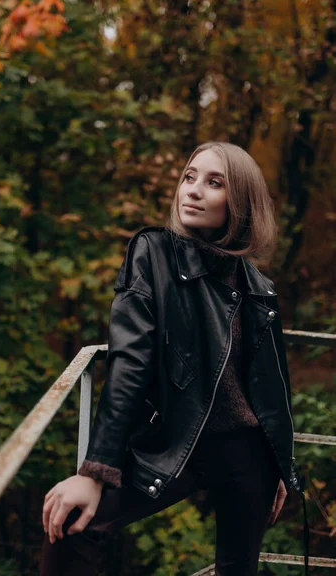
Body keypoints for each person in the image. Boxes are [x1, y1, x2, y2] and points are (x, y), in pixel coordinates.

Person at [40, 142, 309, 576]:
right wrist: (94, 471)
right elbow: (130, 361)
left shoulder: (260, 287)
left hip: (248, 453)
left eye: (214, 182)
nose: (194, 190)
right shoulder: (153, 252)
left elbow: (274, 387)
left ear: (240, 203)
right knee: (73, 525)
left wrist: (281, 463)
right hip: (175, 440)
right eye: (189, 176)